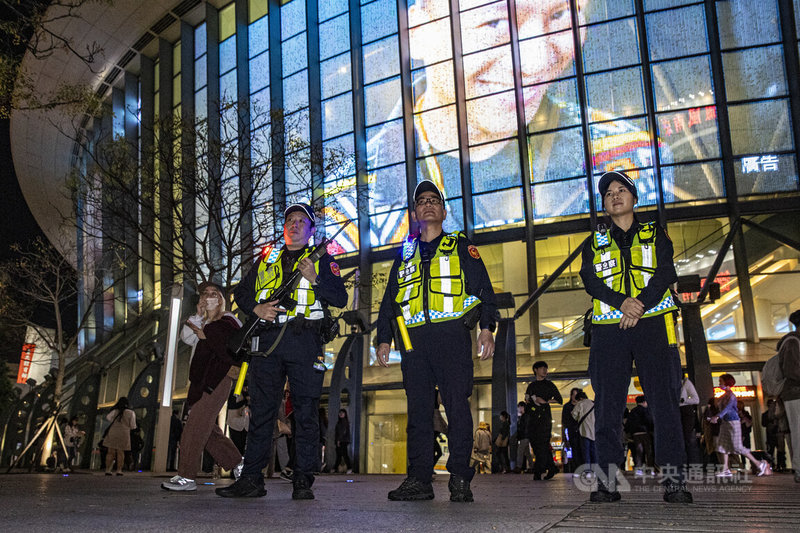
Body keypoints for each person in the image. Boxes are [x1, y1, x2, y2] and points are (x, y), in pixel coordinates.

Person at [326, 1, 674, 254]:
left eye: (560, 15)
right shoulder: (346, 207)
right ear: (417, 33)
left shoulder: (635, 159)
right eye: (494, 24)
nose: (537, 61)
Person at [376, 180, 497, 502]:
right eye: (422, 201)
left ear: (443, 211)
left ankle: (459, 478)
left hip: (452, 339)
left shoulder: (460, 245)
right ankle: (418, 480)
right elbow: (390, 301)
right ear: (415, 213)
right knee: (418, 413)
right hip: (413, 344)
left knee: (457, 408)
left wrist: (487, 328)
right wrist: (383, 339)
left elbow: (484, 290)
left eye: (434, 200)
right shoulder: (405, 252)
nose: (428, 204)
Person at [217, 203, 347, 500]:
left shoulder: (324, 260)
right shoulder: (267, 259)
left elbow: (340, 297)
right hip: (268, 342)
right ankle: (251, 479)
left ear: (312, 230)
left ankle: (303, 480)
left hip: (305, 341)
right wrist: (257, 308)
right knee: (261, 413)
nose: (295, 224)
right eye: (290, 219)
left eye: (302, 221)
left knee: (305, 414)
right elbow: (242, 293)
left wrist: (316, 278)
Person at [579, 170, 691, 503]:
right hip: (608, 332)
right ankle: (607, 483)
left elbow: (665, 272)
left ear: (634, 197)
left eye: (621, 190)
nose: (614, 195)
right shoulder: (594, 242)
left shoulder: (656, 234)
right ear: (603, 204)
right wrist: (622, 303)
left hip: (654, 325)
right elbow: (590, 281)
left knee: (665, 406)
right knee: (608, 408)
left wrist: (638, 305)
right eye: (608, 193)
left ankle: (674, 483)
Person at [161, 282, 245, 491]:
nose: (208, 297)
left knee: (195, 424)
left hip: (218, 378)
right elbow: (186, 338)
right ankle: (239, 464)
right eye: (205, 294)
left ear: (221, 298)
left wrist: (206, 333)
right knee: (206, 427)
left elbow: (232, 345)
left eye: (213, 294)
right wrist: (199, 316)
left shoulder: (228, 319)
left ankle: (186, 476)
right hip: (200, 379)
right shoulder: (202, 322)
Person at [710, 374, 771, 478]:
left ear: (727, 382)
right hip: (725, 423)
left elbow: (728, 408)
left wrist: (717, 416)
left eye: (721, 381)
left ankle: (759, 464)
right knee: (721, 445)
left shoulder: (731, 396)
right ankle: (725, 469)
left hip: (733, 423)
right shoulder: (724, 395)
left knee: (738, 447)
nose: (719, 383)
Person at [524, 361, 562, 480]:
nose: (545, 371)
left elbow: (559, 399)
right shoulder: (531, 385)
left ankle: (538, 471)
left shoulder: (549, 385)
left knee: (543, 442)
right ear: (535, 370)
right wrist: (531, 401)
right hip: (533, 418)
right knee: (536, 443)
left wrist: (544, 402)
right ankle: (551, 467)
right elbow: (527, 400)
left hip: (545, 417)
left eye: (546, 368)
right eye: (542, 368)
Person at [778, 308, 800, 482]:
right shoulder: (792, 342)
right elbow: (791, 371)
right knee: (798, 432)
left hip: (795, 394)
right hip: (795, 394)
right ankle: (799, 469)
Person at [104, 397, 136, 476]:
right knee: (121, 452)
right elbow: (133, 426)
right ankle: (119, 470)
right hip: (124, 433)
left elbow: (108, 418)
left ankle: (108, 470)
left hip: (113, 432)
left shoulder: (115, 411)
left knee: (110, 452)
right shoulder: (130, 413)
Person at [625, 395, 654, 476]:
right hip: (645, 433)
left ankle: (639, 469)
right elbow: (649, 421)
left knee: (639, 452)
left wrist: (629, 433)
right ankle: (650, 469)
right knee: (648, 452)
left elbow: (628, 424)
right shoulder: (645, 410)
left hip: (635, 434)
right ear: (644, 402)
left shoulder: (633, 411)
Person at [571, 391, 596, 472]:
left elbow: (574, 415)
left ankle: (588, 471)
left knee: (586, 453)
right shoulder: (593, 403)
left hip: (584, 432)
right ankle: (595, 470)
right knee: (594, 452)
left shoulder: (580, 404)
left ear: (580, 398)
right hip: (594, 432)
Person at [679, 376, 701, 467]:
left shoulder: (686, 383)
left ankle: (691, 463)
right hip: (675, 411)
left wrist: (684, 401)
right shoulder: (667, 381)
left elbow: (696, 400)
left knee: (687, 438)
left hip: (685, 410)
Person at [562, 388, 584, 475]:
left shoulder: (582, 405)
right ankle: (577, 469)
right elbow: (564, 421)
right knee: (574, 450)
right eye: (573, 395)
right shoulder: (567, 407)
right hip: (572, 431)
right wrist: (564, 436)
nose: (575, 397)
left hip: (581, 431)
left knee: (582, 450)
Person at [226, 389, 249, 457]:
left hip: (244, 425)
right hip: (234, 424)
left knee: (242, 446)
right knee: (235, 446)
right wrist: (245, 400)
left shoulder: (248, 394)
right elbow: (231, 405)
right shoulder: (235, 393)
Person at [514, 401, 533, 473]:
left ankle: (519, 467)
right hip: (526, 436)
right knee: (527, 453)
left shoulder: (525, 417)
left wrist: (519, 435)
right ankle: (531, 467)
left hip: (524, 437)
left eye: (519, 407)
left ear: (522, 407)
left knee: (520, 451)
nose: (518, 409)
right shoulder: (525, 416)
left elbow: (523, 427)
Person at [334, 409, 353, 474]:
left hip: (343, 441)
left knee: (343, 454)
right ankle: (335, 468)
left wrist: (339, 440)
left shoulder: (343, 422)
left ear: (345, 414)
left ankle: (349, 468)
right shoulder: (341, 422)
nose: (341, 414)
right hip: (343, 440)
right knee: (340, 455)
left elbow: (342, 432)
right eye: (340, 413)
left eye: (342, 413)